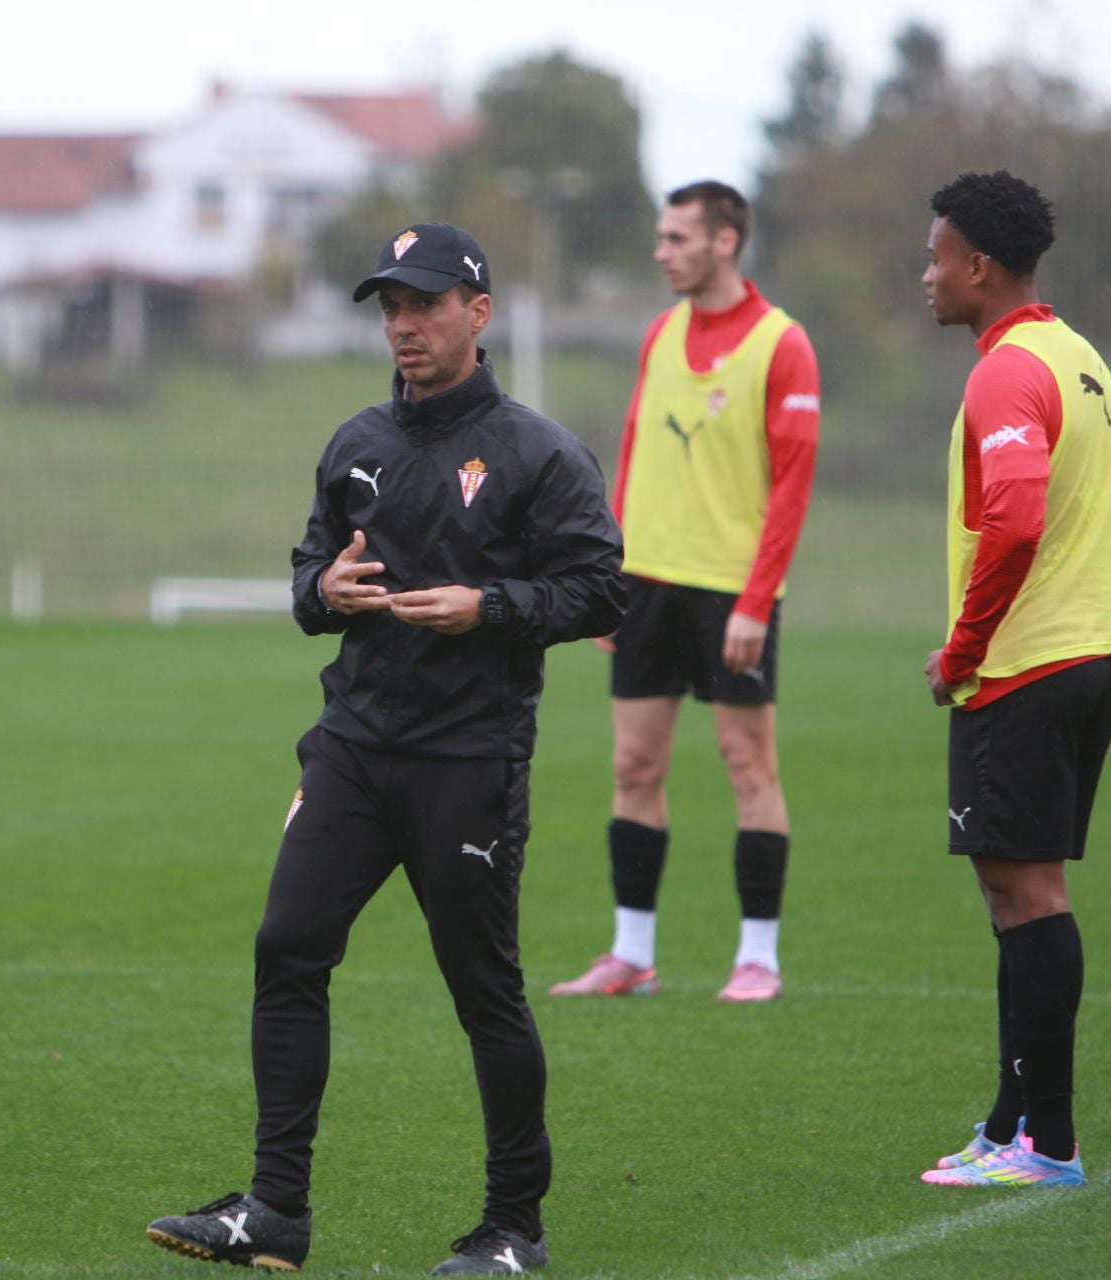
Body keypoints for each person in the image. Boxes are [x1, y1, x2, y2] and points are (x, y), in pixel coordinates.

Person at [144, 222, 625, 1273]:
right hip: (354, 752)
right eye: (389, 307)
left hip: (467, 764)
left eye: (423, 304)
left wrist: (489, 604)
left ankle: (514, 1228)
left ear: (478, 312)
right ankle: (275, 1208)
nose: (402, 325)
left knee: (482, 987)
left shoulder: (541, 452)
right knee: (286, 948)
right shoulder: (355, 441)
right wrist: (324, 589)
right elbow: (309, 575)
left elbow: (601, 589)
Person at [913, 170, 1111, 1189]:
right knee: (1014, 888)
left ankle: (1047, 1143)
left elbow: (1013, 520)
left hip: (1030, 658)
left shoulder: (1007, 371)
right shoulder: (1080, 355)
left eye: (935, 257)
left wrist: (962, 650)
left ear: (978, 265)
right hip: (1095, 651)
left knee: (1028, 892)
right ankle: (1009, 1118)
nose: (924, 274)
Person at [549, 181, 819, 1004]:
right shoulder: (661, 333)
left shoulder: (783, 344)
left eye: (677, 238)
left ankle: (758, 960)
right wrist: (607, 579)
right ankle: (632, 954)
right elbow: (631, 459)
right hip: (646, 587)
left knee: (748, 766)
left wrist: (754, 599)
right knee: (633, 765)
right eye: (661, 238)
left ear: (724, 241)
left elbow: (792, 484)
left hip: (732, 593)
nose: (662, 251)